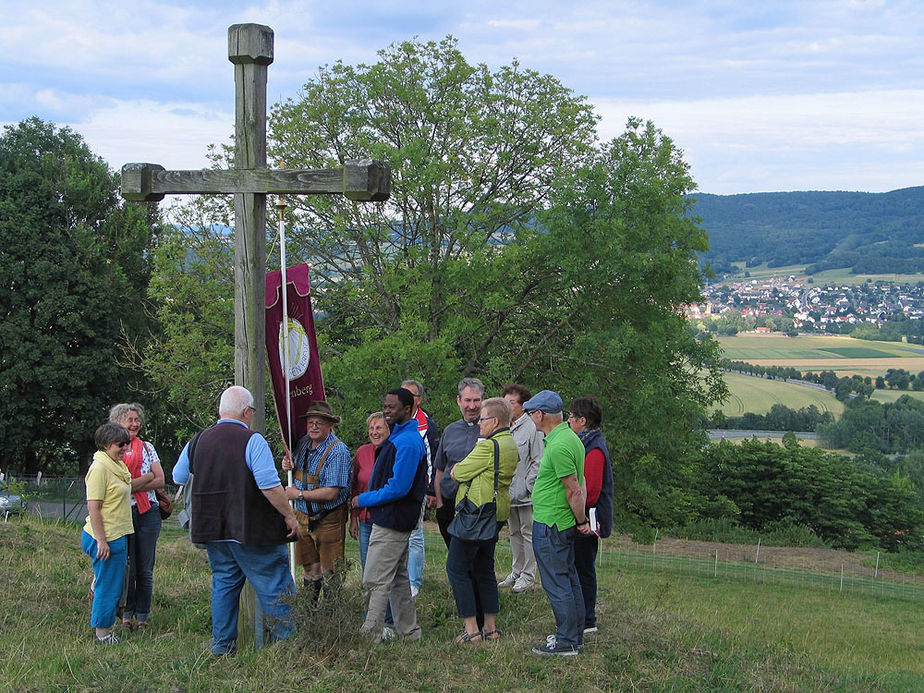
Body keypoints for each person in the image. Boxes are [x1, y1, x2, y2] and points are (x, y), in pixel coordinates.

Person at [172, 386, 298, 656]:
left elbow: (178, 476)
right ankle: (289, 646)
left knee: (224, 584)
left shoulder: (196, 441)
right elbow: (269, 485)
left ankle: (222, 645)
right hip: (252, 530)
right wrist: (289, 515)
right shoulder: (252, 440)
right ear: (246, 411)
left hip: (213, 529)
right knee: (274, 583)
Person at [352, 387, 427, 643]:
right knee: (397, 577)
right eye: (385, 406)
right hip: (392, 517)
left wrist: (362, 499)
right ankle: (409, 632)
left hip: (393, 520)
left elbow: (399, 487)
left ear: (407, 409)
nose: (386, 411)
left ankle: (369, 634)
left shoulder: (407, 442)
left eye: (391, 407)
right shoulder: (397, 437)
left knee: (375, 579)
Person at [524, 389, 594, 657]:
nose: (531, 419)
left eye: (531, 414)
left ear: (540, 415)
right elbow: (581, 484)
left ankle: (566, 641)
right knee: (568, 579)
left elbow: (574, 489)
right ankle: (573, 637)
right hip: (558, 521)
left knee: (557, 583)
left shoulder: (561, 445)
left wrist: (581, 521)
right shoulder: (568, 437)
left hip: (552, 524)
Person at [445, 397, 517, 643]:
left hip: (476, 513)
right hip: (496, 512)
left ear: (494, 421)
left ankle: (471, 629)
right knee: (484, 568)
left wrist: (457, 469)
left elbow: (459, 472)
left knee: (456, 567)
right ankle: (490, 626)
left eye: (482, 419)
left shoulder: (488, 446)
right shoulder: (510, 443)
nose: (478, 423)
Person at [82, 423, 154, 644]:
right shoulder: (100, 469)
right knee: (109, 586)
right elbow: (93, 507)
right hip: (105, 537)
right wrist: (101, 541)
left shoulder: (117, 466)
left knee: (115, 583)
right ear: (105, 444)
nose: (125, 448)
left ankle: (104, 622)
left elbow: (128, 486)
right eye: (120, 444)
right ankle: (102, 634)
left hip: (118, 534)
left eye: (127, 443)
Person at [281, 400, 351, 600]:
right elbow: (293, 468)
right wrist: (287, 464)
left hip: (328, 519)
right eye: (311, 422)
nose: (313, 426)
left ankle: (331, 621)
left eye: (319, 423)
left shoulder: (338, 451)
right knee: (310, 569)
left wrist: (299, 495)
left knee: (331, 573)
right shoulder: (303, 443)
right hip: (302, 518)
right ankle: (309, 617)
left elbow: (332, 493)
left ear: (329, 425)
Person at [108, 403, 165, 631]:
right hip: (123, 513)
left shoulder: (148, 447)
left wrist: (131, 485)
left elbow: (160, 479)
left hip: (148, 512)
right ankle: (125, 615)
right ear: (117, 423)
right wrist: (143, 480)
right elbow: (117, 487)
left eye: (136, 419)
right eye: (129, 420)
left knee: (145, 568)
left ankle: (142, 616)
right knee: (126, 567)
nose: (134, 424)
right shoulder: (112, 450)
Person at [568, 395, 614, 636]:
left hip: (588, 519)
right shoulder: (587, 443)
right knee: (579, 566)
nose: (569, 421)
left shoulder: (594, 449)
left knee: (583, 567)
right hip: (583, 516)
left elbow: (592, 491)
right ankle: (581, 615)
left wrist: (580, 516)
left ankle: (587, 619)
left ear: (583, 421)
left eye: (572, 417)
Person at [498, 384, 544, 593]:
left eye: (512, 403)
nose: (508, 406)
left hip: (525, 494)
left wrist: (528, 486)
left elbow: (538, 460)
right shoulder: (505, 426)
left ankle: (528, 574)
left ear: (523, 406)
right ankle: (516, 570)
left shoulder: (533, 427)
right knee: (513, 532)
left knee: (528, 532)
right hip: (508, 492)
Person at [432, 378, 484, 548]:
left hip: (477, 506)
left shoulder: (490, 430)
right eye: (467, 400)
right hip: (448, 504)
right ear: (458, 400)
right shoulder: (450, 430)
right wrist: (439, 504)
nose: (472, 406)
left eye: (476, 400)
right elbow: (440, 469)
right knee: (453, 555)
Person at [401, 379, 439, 599]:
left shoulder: (426, 425)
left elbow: (432, 459)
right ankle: (400, 577)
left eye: (411, 395)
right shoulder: (392, 419)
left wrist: (431, 490)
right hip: (397, 485)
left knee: (415, 534)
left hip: (418, 487)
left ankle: (414, 583)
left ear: (419, 399)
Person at [349, 411, 390, 572]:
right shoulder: (362, 452)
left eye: (379, 428)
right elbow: (355, 486)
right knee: (368, 568)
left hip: (386, 520)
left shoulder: (394, 451)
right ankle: (370, 597)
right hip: (365, 519)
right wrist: (353, 517)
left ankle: (386, 598)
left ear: (388, 430)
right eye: (371, 428)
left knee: (385, 568)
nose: (374, 432)